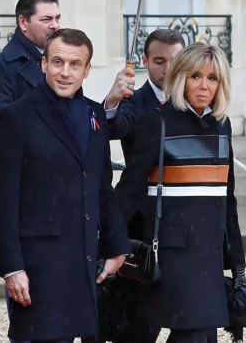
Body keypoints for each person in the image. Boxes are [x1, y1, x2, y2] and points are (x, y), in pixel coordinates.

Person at [0, 28, 128, 343]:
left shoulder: (95, 114)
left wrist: (117, 247)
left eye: (75, 64)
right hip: (38, 268)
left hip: (86, 261)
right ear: (43, 64)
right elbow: (1, 202)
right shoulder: (15, 117)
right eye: (58, 62)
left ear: (86, 70)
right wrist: (11, 268)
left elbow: (102, 186)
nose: (65, 72)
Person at [114, 43, 246, 343]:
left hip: (209, 255)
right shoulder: (157, 122)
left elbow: (228, 201)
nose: (204, 85)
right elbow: (129, 191)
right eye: (195, 76)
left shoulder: (221, 127)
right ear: (180, 79)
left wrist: (238, 265)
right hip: (172, 256)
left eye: (212, 79)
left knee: (204, 337)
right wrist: (111, 247)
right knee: (194, 336)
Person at [97, 29, 185, 343]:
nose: (167, 68)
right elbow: (115, 126)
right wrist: (112, 100)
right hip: (139, 222)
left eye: (174, 61)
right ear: (145, 61)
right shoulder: (136, 101)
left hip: (182, 223)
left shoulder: (193, 100)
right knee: (134, 319)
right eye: (159, 61)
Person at [0, 0, 60, 132]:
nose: (55, 25)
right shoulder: (2, 66)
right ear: (23, 22)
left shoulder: (61, 57)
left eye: (57, 18)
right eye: (46, 19)